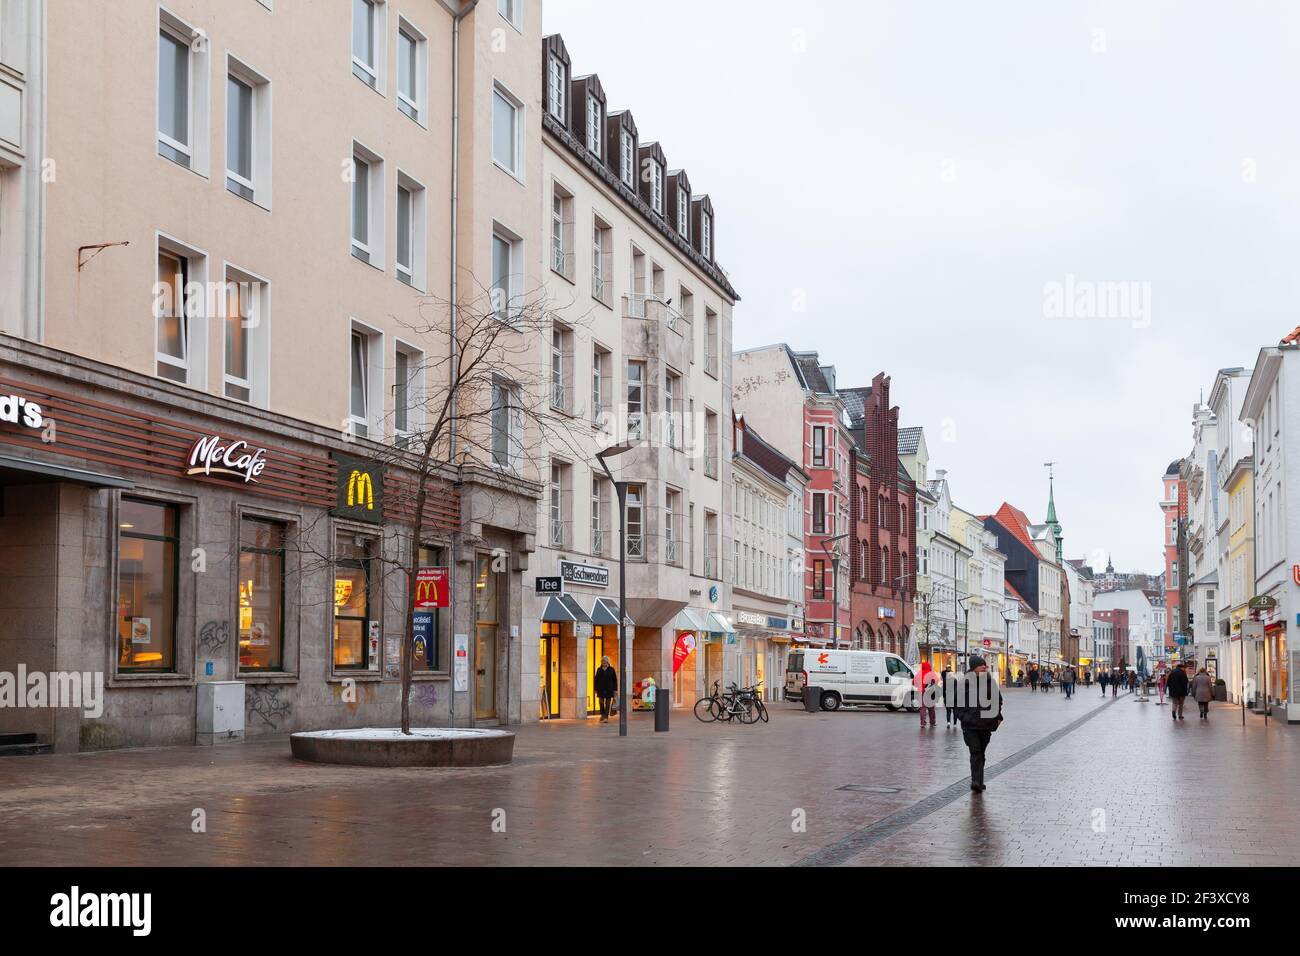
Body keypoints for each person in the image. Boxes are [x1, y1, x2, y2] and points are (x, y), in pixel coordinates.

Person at [956, 655, 1003, 793]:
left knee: (981, 753)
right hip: (970, 726)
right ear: (973, 668)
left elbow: (998, 700)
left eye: (985, 665)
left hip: (985, 725)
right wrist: (964, 717)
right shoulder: (964, 683)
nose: (984, 667)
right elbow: (956, 704)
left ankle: (979, 781)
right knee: (975, 751)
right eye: (981, 665)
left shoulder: (990, 682)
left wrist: (994, 716)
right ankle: (975, 781)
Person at [594, 656, 618, 722]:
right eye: (602, 661)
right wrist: (595, 689)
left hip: (609, 689)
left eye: (604, 661)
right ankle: (602, 714)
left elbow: (614, 680)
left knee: (608, 703)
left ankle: (606, 717)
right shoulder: (599, 669)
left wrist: (615, 689)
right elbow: (596, 680)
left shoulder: (611, 669)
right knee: (601, 702)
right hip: (600, 689)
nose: (603, 662)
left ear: (607, 662)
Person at [916, 661, 939, 728]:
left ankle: (923, 723)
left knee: (922, 708)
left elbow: (913, 682)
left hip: (921, 692)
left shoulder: (919, 674)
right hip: (929, 692)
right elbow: (937, 681)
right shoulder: (931, 674)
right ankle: (932, 722)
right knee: (931, 708)